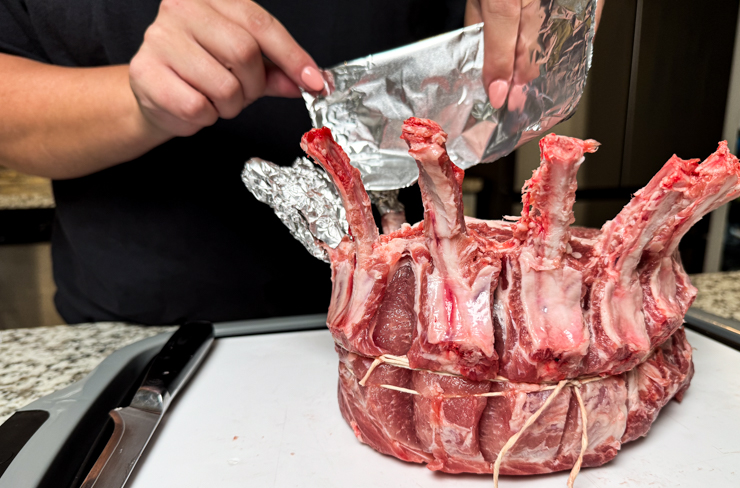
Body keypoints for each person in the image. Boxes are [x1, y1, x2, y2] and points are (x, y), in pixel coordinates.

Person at [0, 0, 603, 325]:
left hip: (418, 320)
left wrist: (540, 24)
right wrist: (146, 103)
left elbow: (501, 57)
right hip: (142, 337)